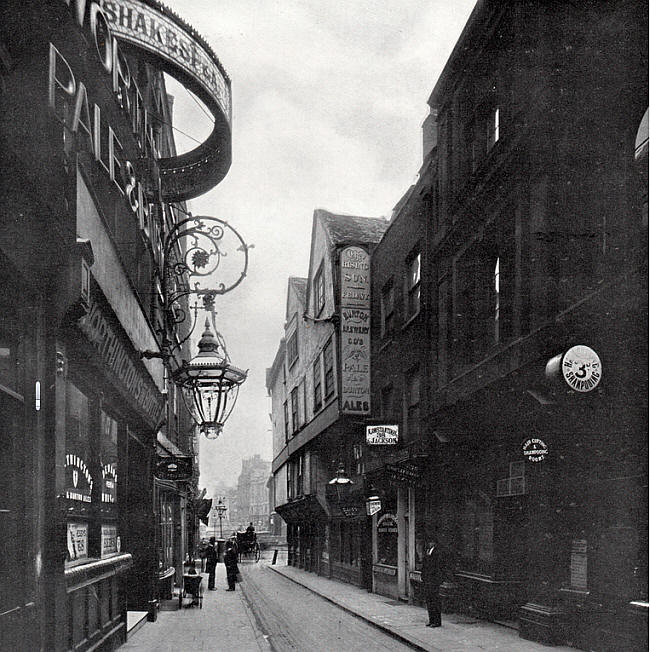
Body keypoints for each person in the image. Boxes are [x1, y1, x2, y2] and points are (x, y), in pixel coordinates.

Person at [422, 539, 442, 627]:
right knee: (429, 601)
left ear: (434, 543)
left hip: (434, 581)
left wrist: (437, 580)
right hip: (428, 580)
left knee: (435, 601)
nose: (429, 544)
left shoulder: (437, 552)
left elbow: (439, 567)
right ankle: (431, 620)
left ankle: (437, 621)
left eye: (430, 542)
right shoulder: (427, 551)